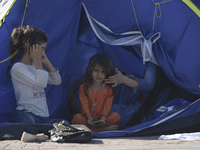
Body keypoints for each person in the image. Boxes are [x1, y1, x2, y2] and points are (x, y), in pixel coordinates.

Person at [6, 25, 69, 125]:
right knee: (29, 124)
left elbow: (57, 80)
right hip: (26, 114)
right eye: (42, 49)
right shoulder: (18, 68)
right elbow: (41, 83)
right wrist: (37, 61)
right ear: (29, 47)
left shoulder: (36, 67)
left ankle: (37, 133)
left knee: (64, 123)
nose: (43, 52)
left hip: (42, 117)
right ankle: (35, 133)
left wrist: (46, 61)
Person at [72, 54, 121, 132]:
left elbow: (107, 107)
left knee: (116, 117)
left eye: (103, 72)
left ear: (107, 73)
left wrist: (103, 118)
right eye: (96, 70)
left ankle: (93, 129)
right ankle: (103, 130)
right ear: (90, 70)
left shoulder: (109, 89)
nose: (99, 75)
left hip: (102, 120)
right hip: (88, 119)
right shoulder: (83, 87)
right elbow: (84, 104)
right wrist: (89, 118)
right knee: (77, 118)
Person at [104, 60, 157, 128]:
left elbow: (148, 85)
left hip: (143, 108)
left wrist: (124, 80)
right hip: (137, 102)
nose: (138, 49)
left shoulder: (152, 63)